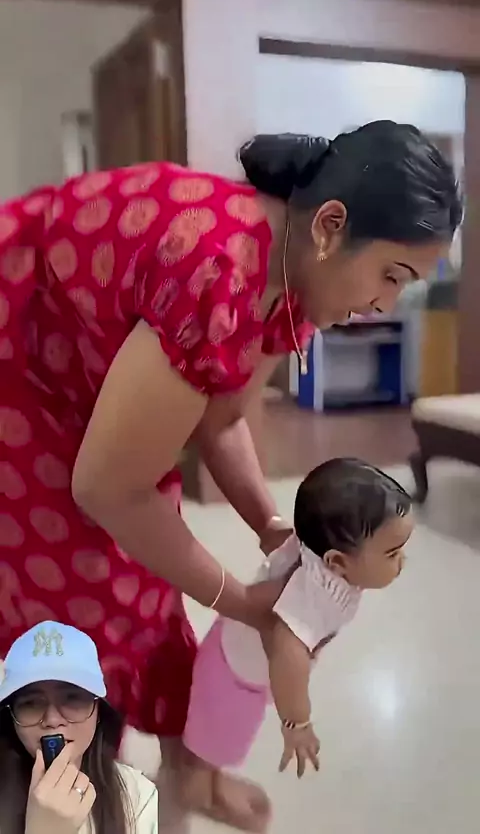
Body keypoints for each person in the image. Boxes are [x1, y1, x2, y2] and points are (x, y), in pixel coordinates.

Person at [0, 120, 461, 831]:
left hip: (75, 371)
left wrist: (270, 525)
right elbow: (107, 489)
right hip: (19, 358)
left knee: (147, 570)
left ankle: (189, 773)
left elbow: (220, 422)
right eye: (391, 276)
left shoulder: (294, 280)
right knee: (82, 593)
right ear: (331, 226)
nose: (385, 304)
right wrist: (242, 601)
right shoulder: (214, 267)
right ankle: (61, 796)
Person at [183, 459, 412, 788]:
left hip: (237, 653)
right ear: (337, 562)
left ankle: (206, 777)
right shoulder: (315, 598)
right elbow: (287, 658)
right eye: (392, 554)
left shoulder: (315, 546)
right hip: (235, 676)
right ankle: (198, 786)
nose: (402, 561)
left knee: (218, 738)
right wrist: (297, 723)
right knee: (214, 746)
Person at [0, 620, 157, 834]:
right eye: (31, 703)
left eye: (72, 699)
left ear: (99, 710)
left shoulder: (138, 796)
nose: (52, 719)